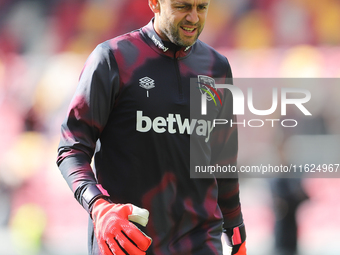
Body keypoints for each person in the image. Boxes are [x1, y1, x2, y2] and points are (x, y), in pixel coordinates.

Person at [56, 0, 246, 254]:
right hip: (129, 240)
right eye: (182, 7)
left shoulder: (216, 67)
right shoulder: (113, 58)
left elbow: (223, 160)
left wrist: (236, 230)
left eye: (201, 7)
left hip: (200, 241)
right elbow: (71, 149)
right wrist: (99, 207)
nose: (193, 18)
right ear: (155, 3)